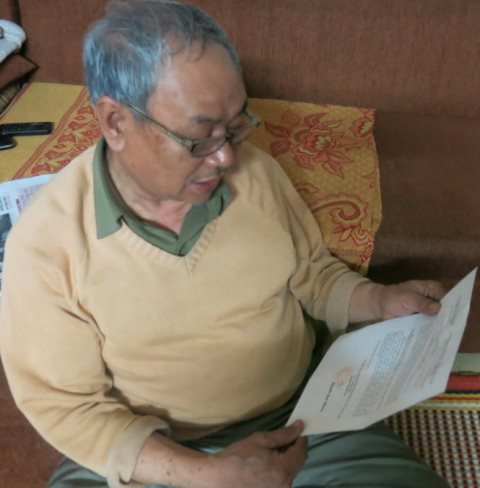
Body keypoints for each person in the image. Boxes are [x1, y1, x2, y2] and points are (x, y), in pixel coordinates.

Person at [0, 1, 449, 487]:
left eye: (234, 126)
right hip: (151, 451)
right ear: (115, 122)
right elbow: (69, 407)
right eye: (199, 137)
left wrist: (379, 300)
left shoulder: (255, 173)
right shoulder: (46, 244)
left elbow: (312, 276)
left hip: (299, 421)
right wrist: (205, 474)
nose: (226, 157)